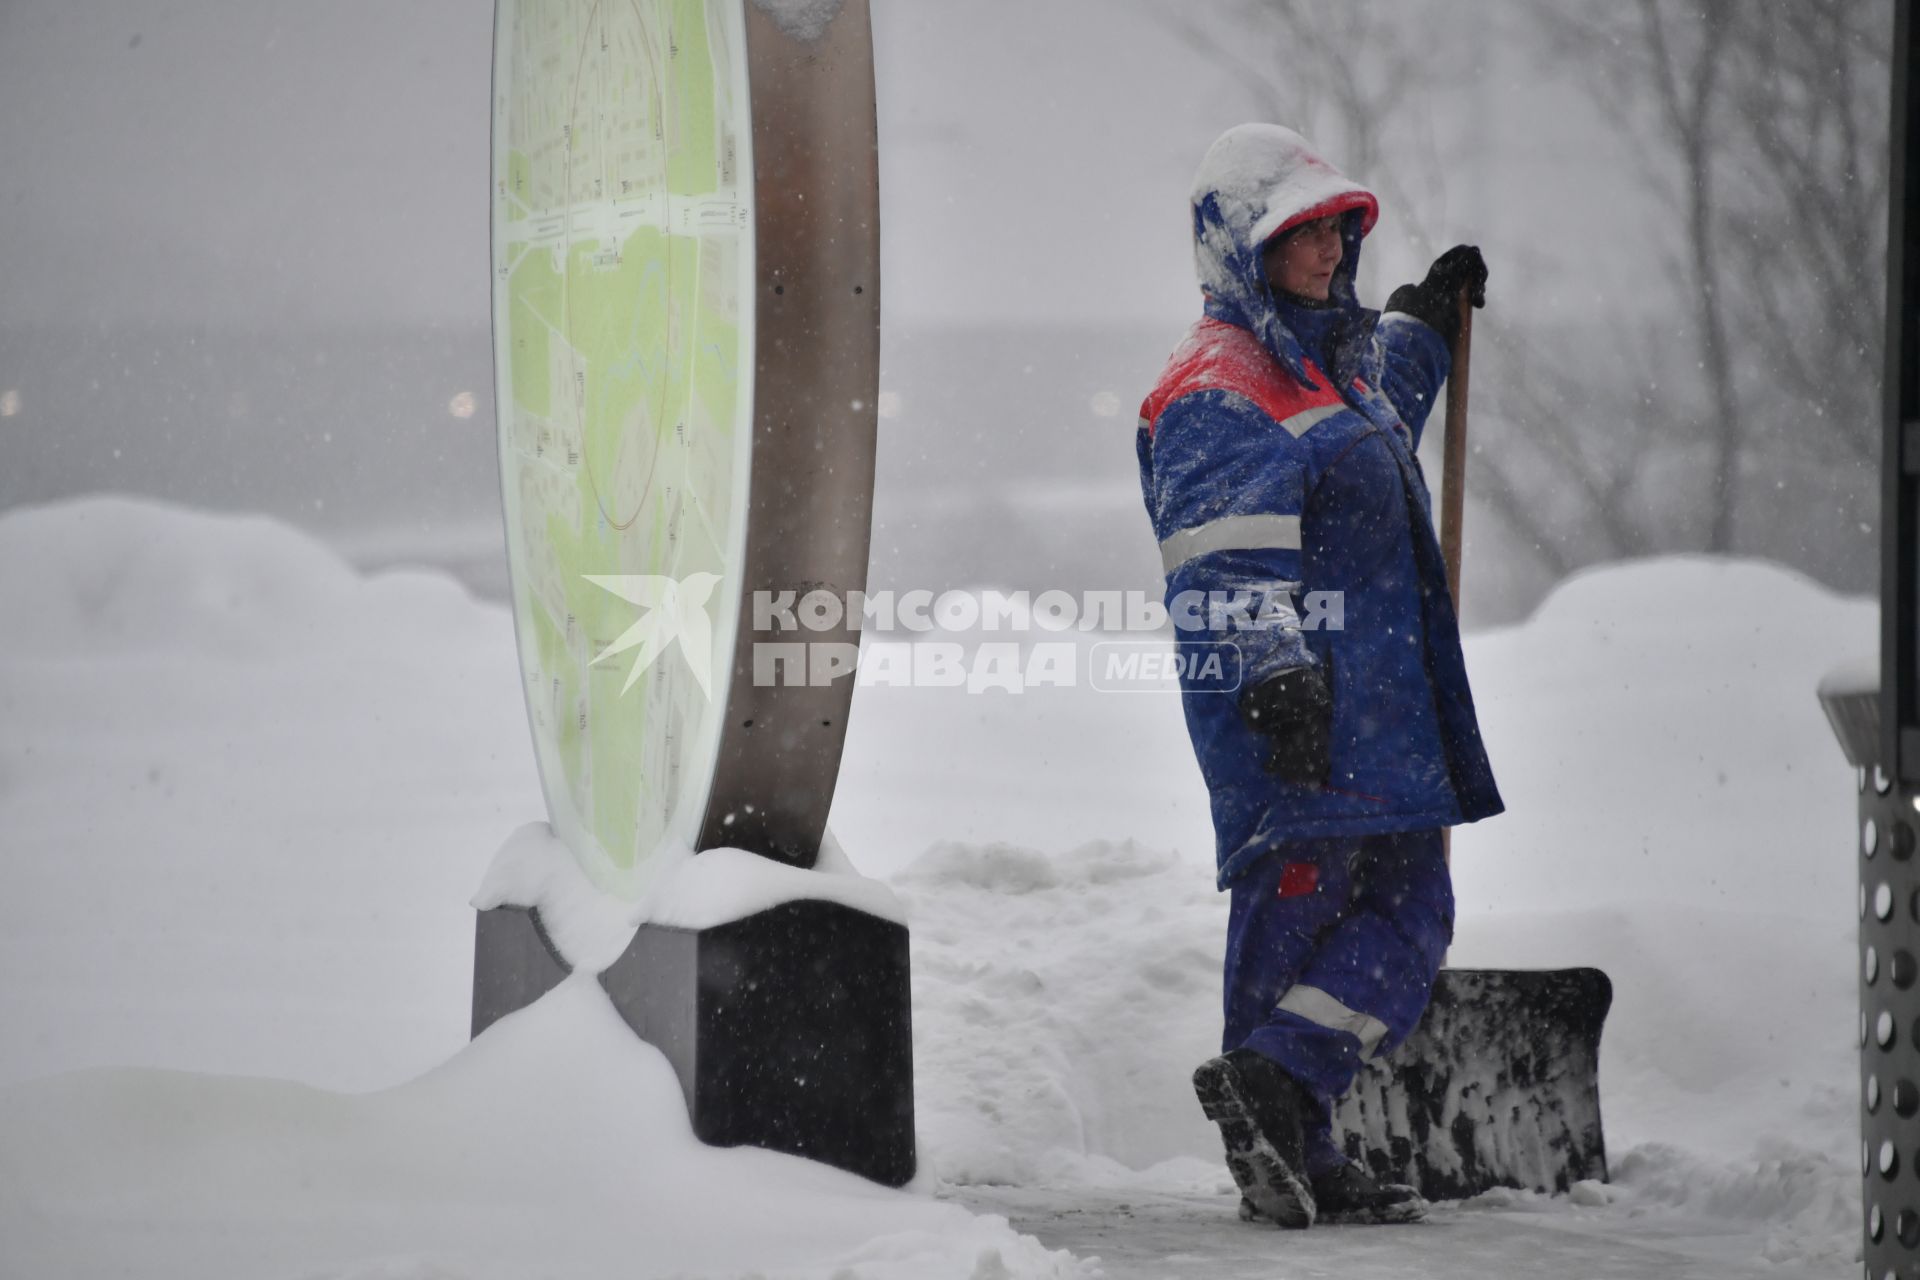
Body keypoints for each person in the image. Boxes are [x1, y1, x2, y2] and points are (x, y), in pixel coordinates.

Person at [1134, 123, 1505, 1229]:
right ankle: (1290, 1116)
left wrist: (1423, 323)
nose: (1331, 248)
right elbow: (1223, 555)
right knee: (1299, 914)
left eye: (1339, 225)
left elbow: (1369, 417)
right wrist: (1272, 675)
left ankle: (1288, 1100)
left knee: (1406, 909)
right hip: (1298, 710)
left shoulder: (1329, 367)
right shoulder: (1218, 387)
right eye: (1303, 232)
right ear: (1245, 248)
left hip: (1380, 713)